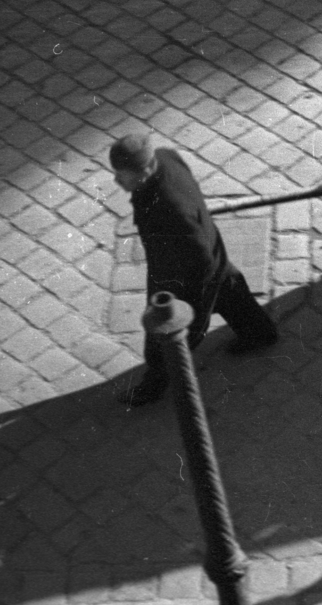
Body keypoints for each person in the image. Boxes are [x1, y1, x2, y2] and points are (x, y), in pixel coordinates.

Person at [110, 134, 278, 407]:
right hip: (210, 249)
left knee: (165, 337)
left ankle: (153, 387)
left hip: (182, 277)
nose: (118, 181)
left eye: (124, 176)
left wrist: (193, 301)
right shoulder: (165, 156)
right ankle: (260, 333)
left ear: (147, 170)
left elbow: (199, 259)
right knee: (230, 290)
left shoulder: (170, 208)